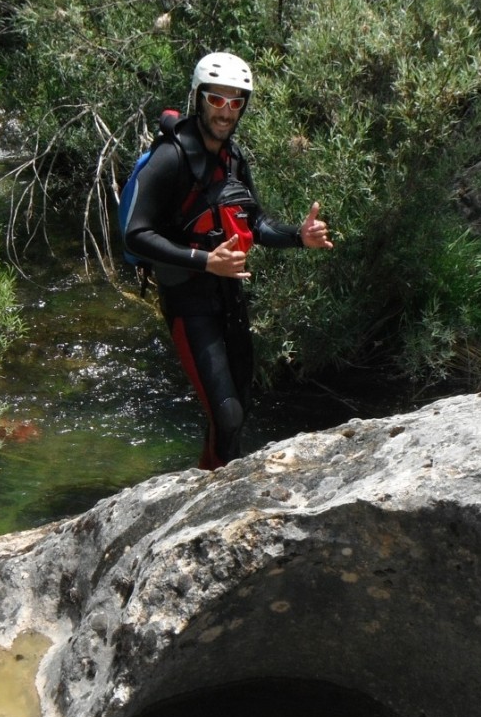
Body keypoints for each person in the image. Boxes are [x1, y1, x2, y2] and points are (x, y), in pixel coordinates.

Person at [123, 51, 333, 470]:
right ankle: (214, 504)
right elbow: (134, 234)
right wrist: (204, 261)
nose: (225, 111)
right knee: (226, 413)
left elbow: (255, 221)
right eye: (217, 99)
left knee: (239, 411)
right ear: (198, 98)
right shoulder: (171, 157)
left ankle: (209, 487)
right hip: (187, 299)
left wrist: (298, 236)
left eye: (236, 101)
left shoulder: (234, 159)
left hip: (229, 296)